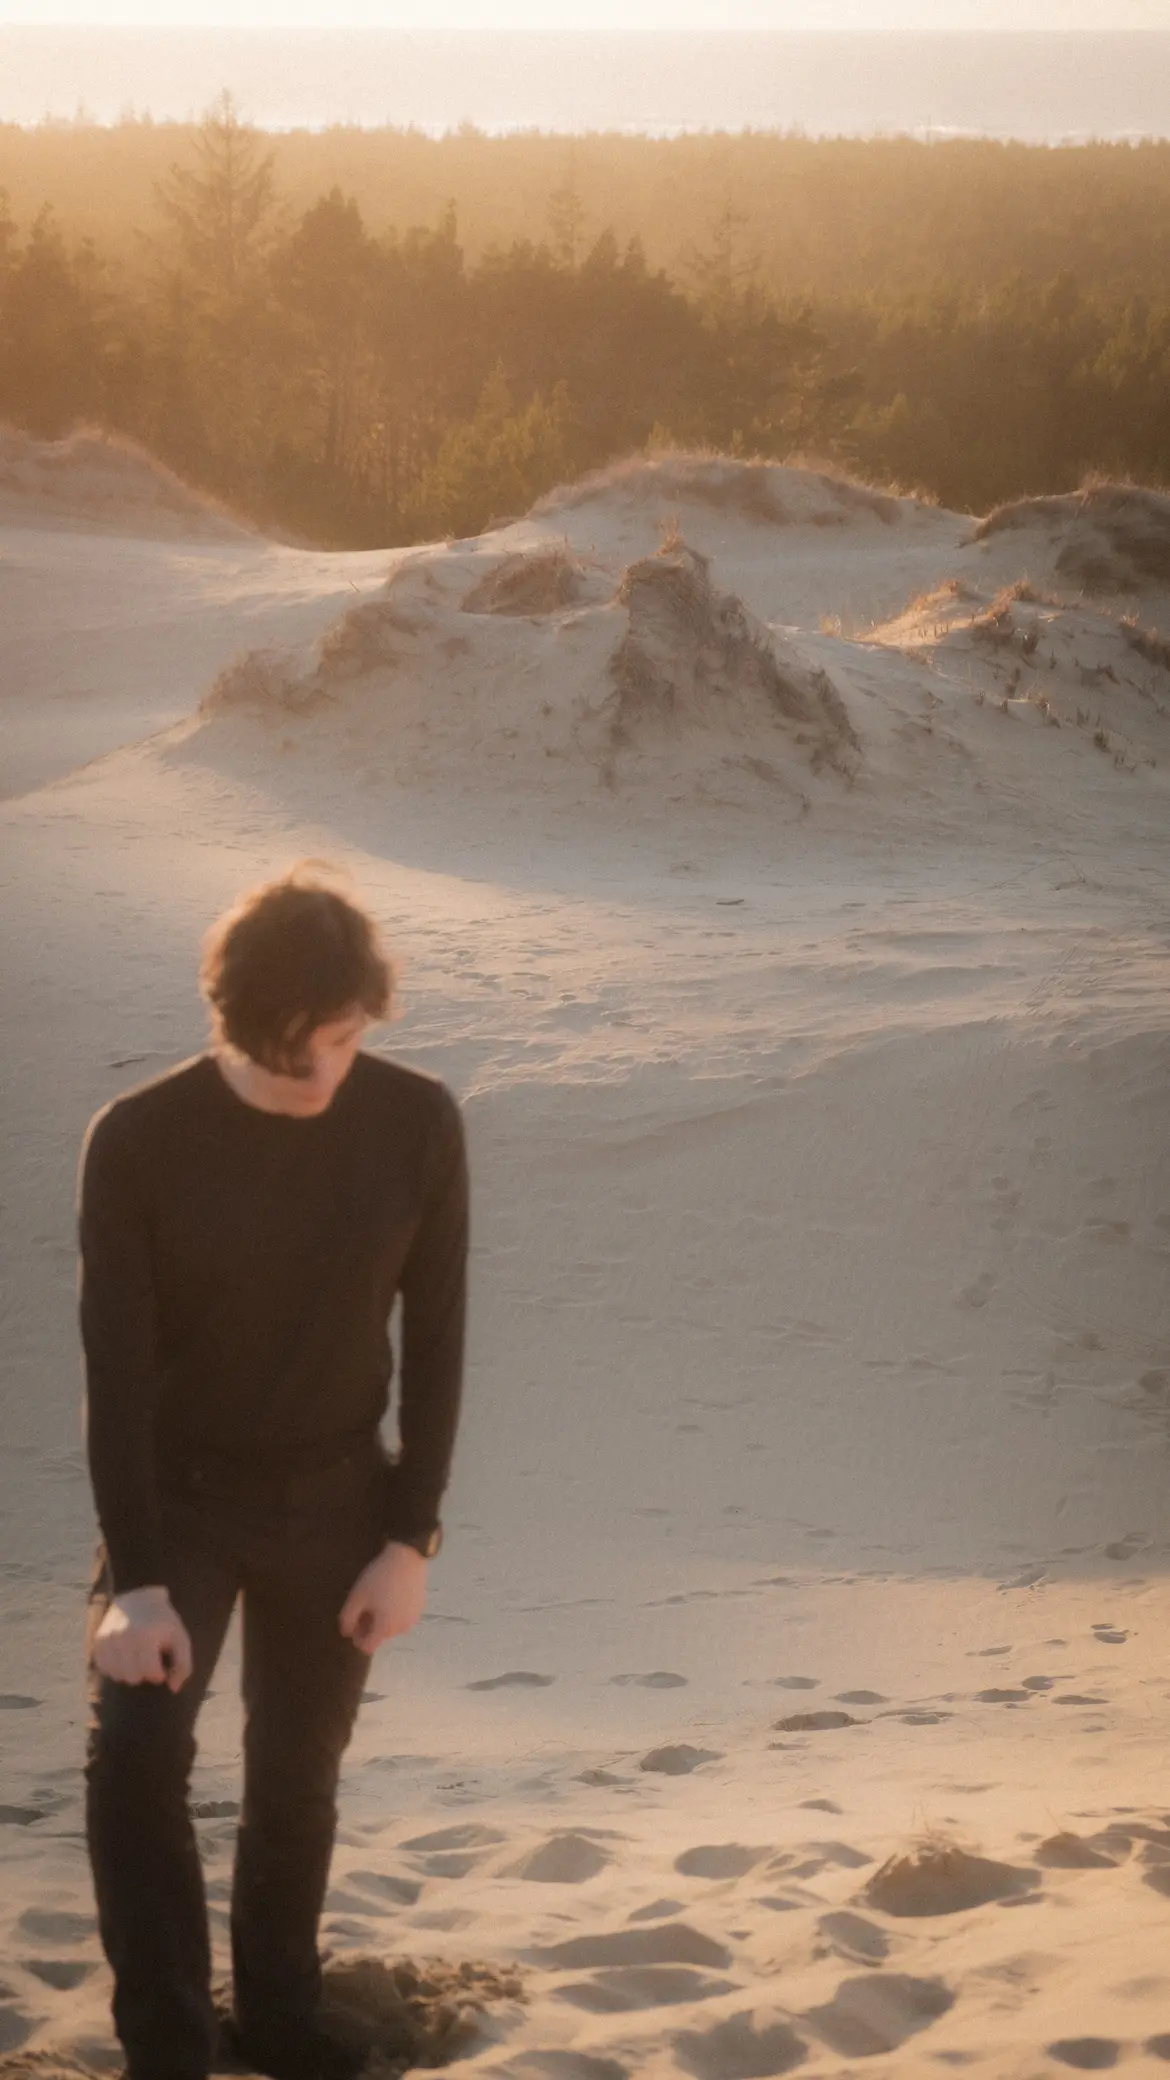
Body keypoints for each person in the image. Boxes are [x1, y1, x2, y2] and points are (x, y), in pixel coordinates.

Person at [77, 864, 469, 2080]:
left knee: (297, 1779)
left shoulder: (417, 1122)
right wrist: (133, 1579)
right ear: (236, 1027)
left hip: (340, 1499)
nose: (322, 1077)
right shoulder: (138, 1141)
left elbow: (440, 1341)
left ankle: (284, 2024)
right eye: (294, 1053)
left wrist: (411, 1539)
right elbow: (115, 1378)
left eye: (344, 1043)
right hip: (180, 1501)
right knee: (136, 1761)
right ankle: (169, 2050)